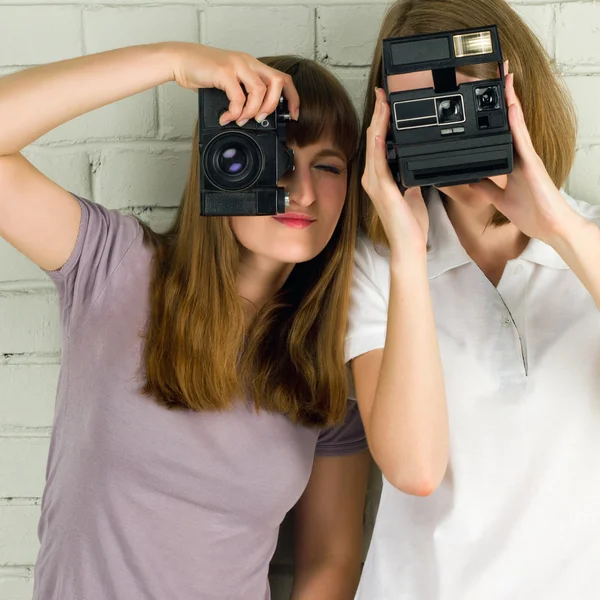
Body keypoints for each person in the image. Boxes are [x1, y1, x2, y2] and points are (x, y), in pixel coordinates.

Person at [0, 43, 371, 600]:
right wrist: (174, 61)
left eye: (329, 165)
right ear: (224, 160)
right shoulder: (117, 268)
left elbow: (330, 561)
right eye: (277, 156)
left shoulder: (326, 373)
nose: (302, 190)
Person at [346, 0, 600, 598]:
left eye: (463, 105)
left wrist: (561, 229)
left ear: (518, 99)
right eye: (421, 113)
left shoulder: (587, 245)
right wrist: (408, 251)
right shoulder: (378, 265)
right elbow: (414, 469)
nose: (447, 132)